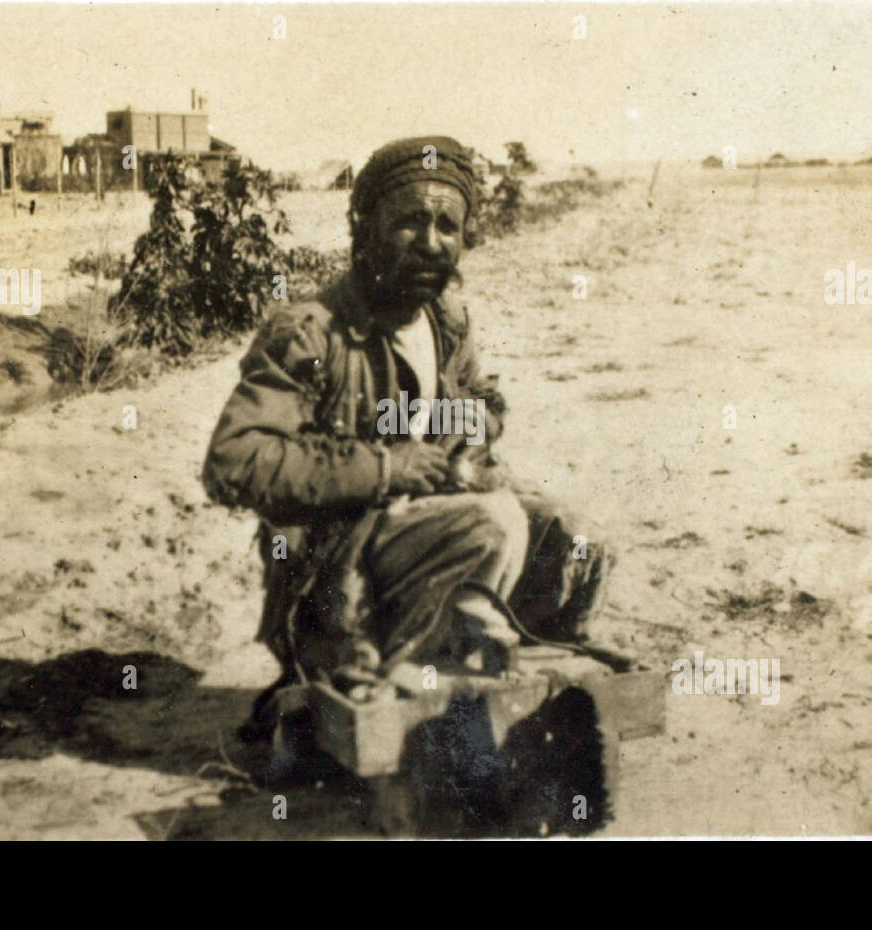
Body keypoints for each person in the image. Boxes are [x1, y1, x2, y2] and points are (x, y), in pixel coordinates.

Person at [202, 136, 616, 741]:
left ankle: (523, 678)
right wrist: (386, 469)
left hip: (443, 536)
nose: (430, 243)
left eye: (448, 225)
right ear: (362, 227)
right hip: (341, 573)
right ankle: (383, 681)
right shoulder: (312, 335)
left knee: (577, 537)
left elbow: (485, 403)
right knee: (493, 523)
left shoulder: (445, 320)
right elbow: (234, 461)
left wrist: (465, 445)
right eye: (409, 222)